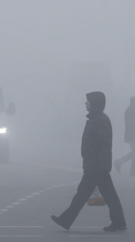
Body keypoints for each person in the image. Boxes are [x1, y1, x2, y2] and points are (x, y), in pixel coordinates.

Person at [51, 91, 126, 232]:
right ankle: (119, 222)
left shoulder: (100, 120)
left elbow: (104, 145)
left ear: (95, 103)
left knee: (83, 194)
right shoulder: (96, 119)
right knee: (107, 195)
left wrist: (101, 166)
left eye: (88, 101)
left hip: (96, 166)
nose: (86, 103)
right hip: (95, 165)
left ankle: (66, 219)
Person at [113, 96, 135, 175]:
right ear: (133, 101)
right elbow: (134, 124)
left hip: (132, 135)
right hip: (133, 135)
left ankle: (119, 162)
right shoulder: (133, 110)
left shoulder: (131, 109)